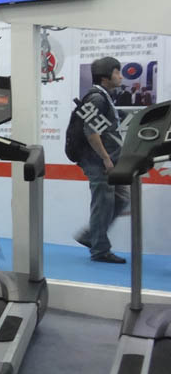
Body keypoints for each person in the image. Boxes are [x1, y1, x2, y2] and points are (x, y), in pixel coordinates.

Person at [73, 56, 130, 264]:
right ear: (106, 77)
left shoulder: (104, 97)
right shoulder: (97, 98)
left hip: (106, 160)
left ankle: (91, 235)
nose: (121, 76)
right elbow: (91, 133)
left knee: (121, 198)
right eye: (117, 72)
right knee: (103, 203)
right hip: (97, 161)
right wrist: (106, 158)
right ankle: (100, 250)